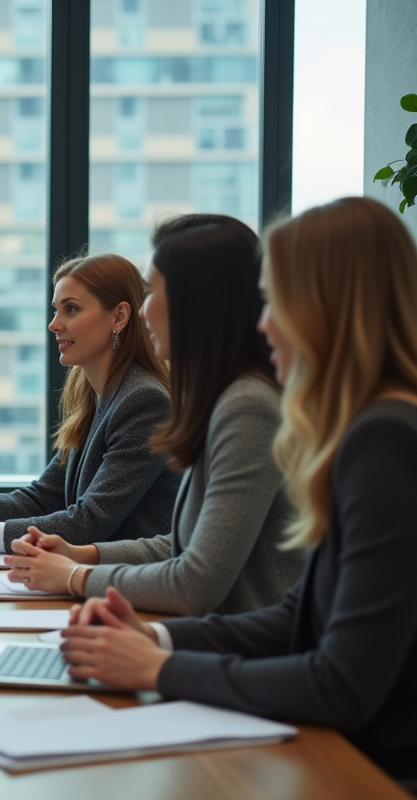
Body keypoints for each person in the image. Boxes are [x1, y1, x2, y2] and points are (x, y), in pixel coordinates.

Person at [58, 197, 417, 785]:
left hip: (369, 771)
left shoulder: (385, 440)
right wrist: (155, 638)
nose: (264, 322)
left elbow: (340, 684)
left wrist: (157, 668)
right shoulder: (367, 429)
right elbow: (300, 616)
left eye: (277, 301)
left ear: (331, 308)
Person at [5, 216, 305, 615]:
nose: (144, 312)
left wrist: (74, 575)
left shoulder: (247, 405)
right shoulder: (221, 397)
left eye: (151, 292)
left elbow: (195, 583)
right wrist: (85, 554)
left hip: (245, 646)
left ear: (195, 300)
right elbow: (181, 544)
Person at [0, 253, 177, 555]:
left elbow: (89, 522)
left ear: (119, 317)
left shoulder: (145, 401)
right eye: (56, 310)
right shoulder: (93, 394)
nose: (53, 324)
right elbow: (46, 495)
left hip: (125, 591)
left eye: (71, 309)